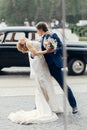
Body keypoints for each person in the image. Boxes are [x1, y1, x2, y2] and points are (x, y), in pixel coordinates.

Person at [8, 38, 63, 124]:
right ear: (22, 44)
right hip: (40, 64)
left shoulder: (29, 43)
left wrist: (46, 44)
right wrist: (47, 51)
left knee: (45, 85)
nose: (21, 39)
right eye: (20, 41)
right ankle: (47, 107)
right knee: (45, 84)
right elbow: (35, 53)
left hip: (40, 63)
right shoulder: (28, 43)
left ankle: (49, 105)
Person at [31, 22, 78, 114]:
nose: (37, 32)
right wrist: (33, 55)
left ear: (41, 30)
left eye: (37, 31)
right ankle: (40, 106)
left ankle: (74, 106)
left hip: (54, 66)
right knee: (42, 87)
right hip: (44, 67)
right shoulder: (42, 38)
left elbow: (62, 47)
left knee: (64, 86)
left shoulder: (53, 35)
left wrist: (55, 50)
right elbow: (41, 51)